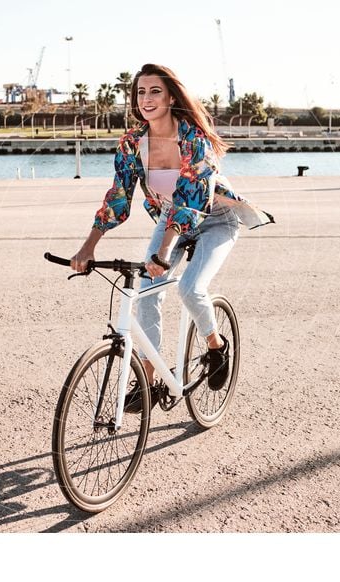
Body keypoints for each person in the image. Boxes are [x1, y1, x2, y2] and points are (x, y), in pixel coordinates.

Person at [70, 63, 274, 410]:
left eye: (155, 91)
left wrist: (162, 252)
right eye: (140, 92)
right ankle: (148, 378)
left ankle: (215, 346)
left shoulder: (194, 138)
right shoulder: (132, 143)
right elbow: (118, 198)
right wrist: (87, 247)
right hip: (170, 218)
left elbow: (190, 200)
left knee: (190, 288)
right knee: (146, 293)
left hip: (215, 218)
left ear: (170, 97)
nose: (146, 99)